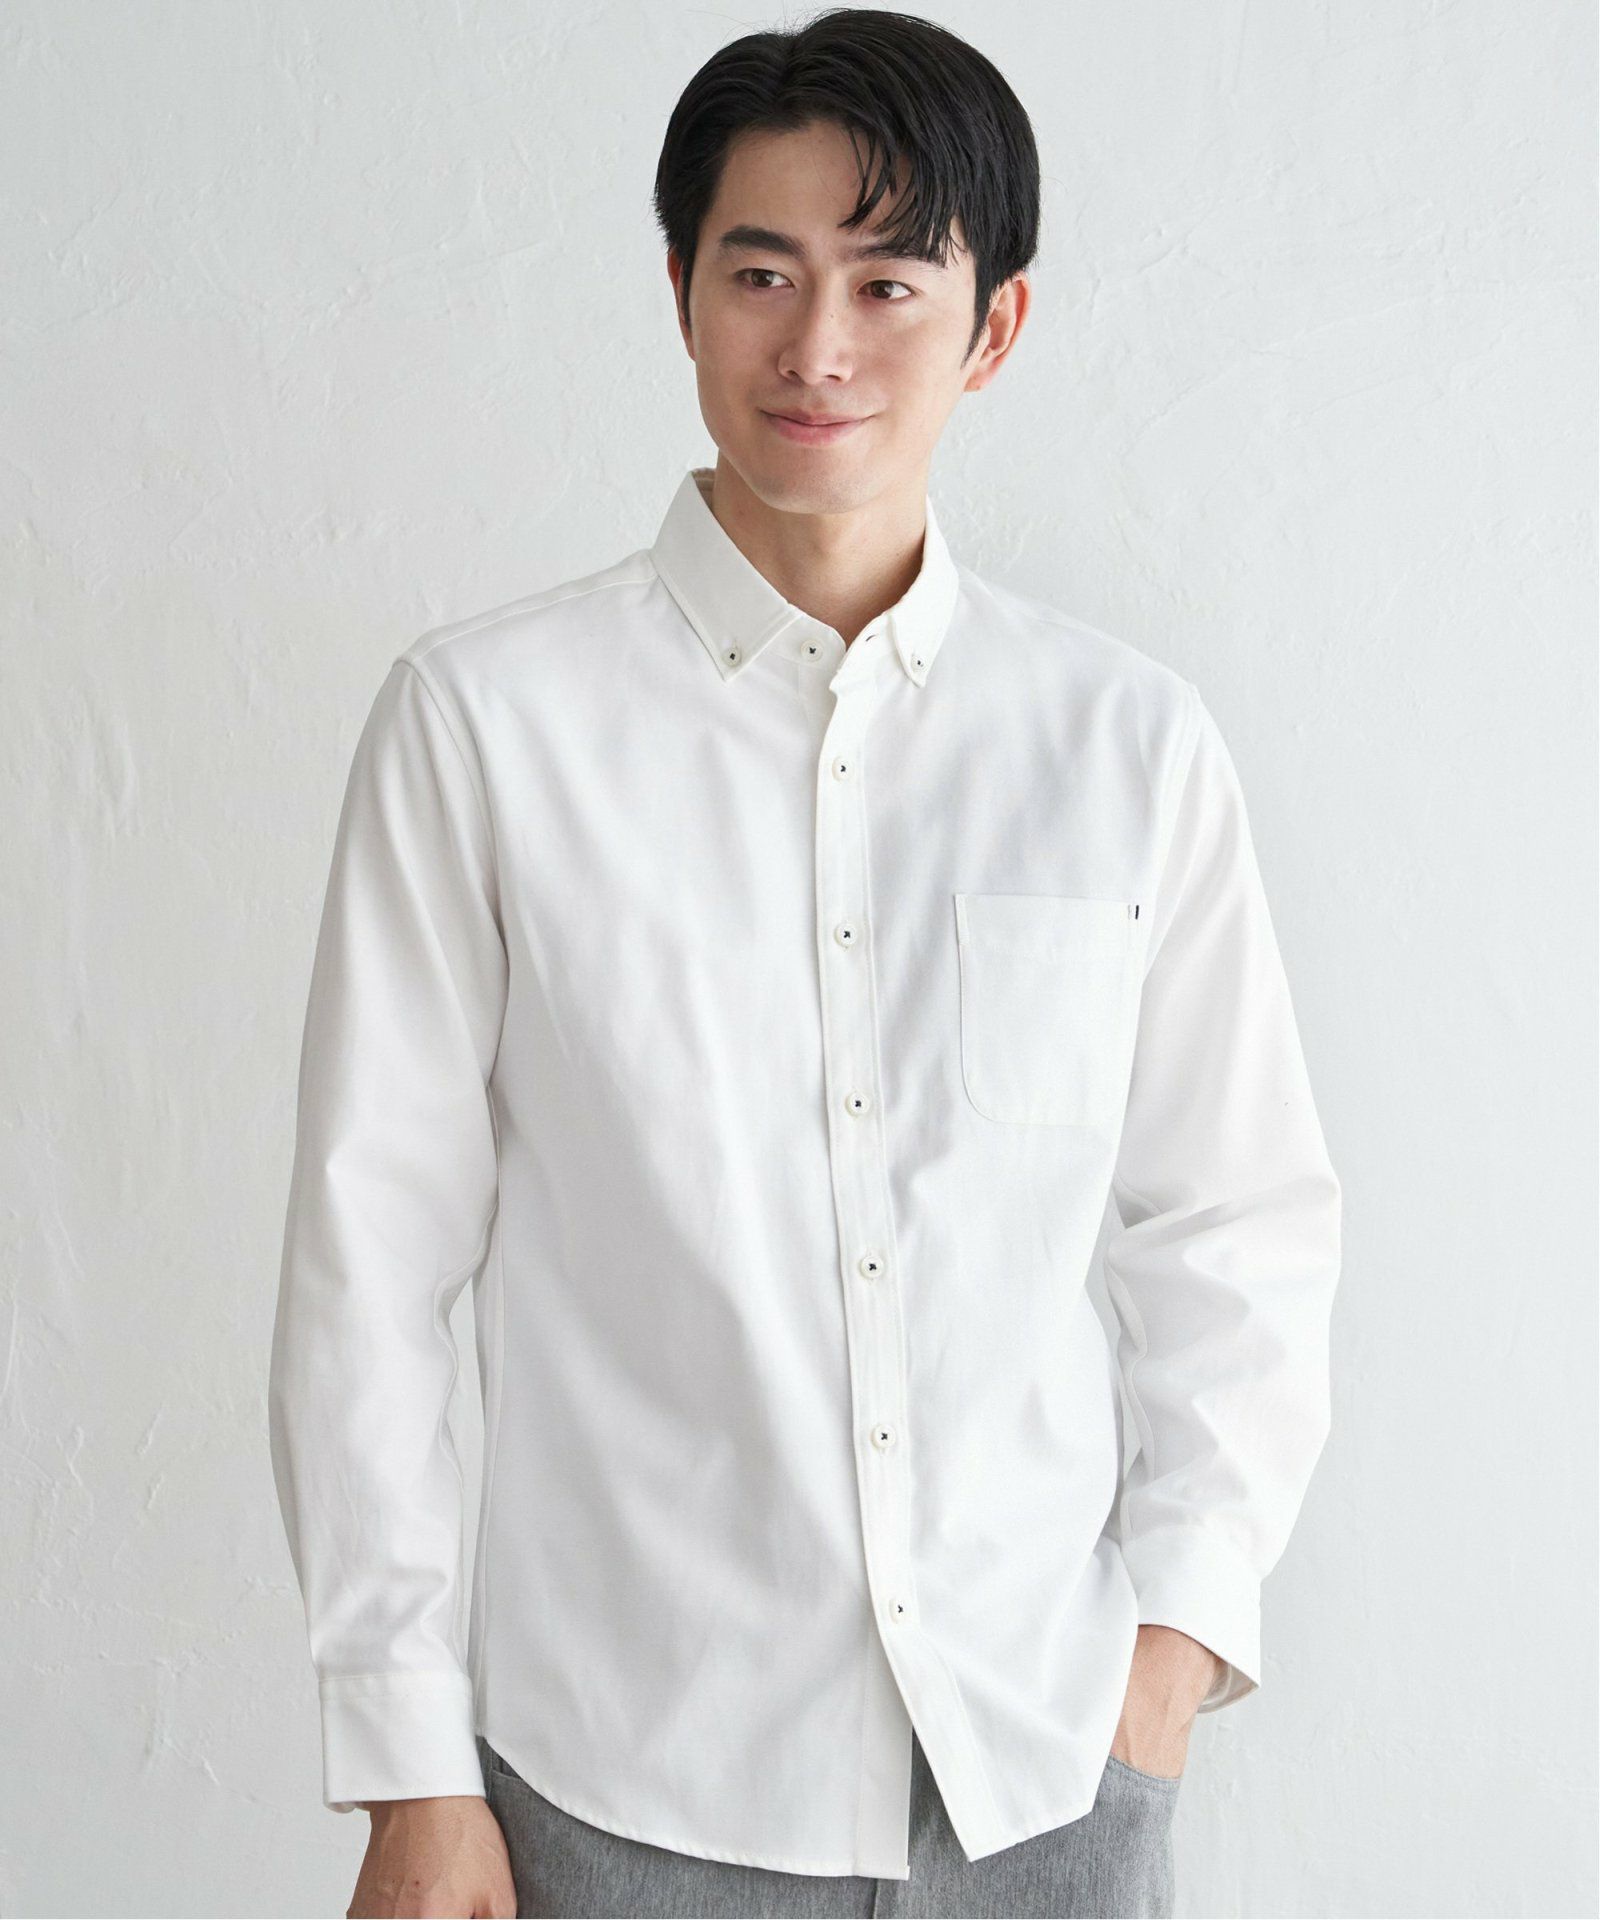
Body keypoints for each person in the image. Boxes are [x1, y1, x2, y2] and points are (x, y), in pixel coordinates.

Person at [267, 9, 1342, 1916]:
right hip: (619, 1788)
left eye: (889, 283)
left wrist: (1168, 1657)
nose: (818, 347)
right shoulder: (488, 728)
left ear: (994, 327)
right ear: (681, 294)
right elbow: (375, 1268)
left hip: (1044, 1780)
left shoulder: (1127, 747)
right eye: (760, 273)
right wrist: (410, 1770)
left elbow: (1238, 1222)